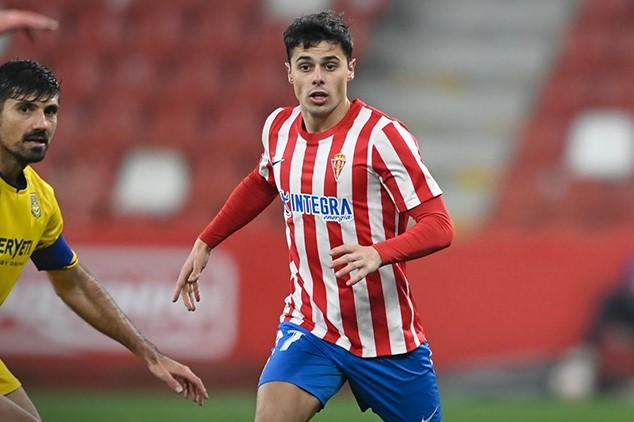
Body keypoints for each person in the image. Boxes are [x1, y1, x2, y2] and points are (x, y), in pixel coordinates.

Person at [173, 11, 453, 422]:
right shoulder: (279, 128)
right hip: (311, 326)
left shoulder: (382, 137)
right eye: (306, 66)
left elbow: (440, 225)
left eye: (330, 65)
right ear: (289, 73)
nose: (317, 77)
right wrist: (207, 240)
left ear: (350, 69)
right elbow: (262, 181)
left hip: (387, 339)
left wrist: (379, 253)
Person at [0, 60, 208, 422]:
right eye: (25, 109)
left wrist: (149, 354)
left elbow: (74, 284)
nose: (41, 124)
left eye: (50, 111)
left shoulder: (41, 200)